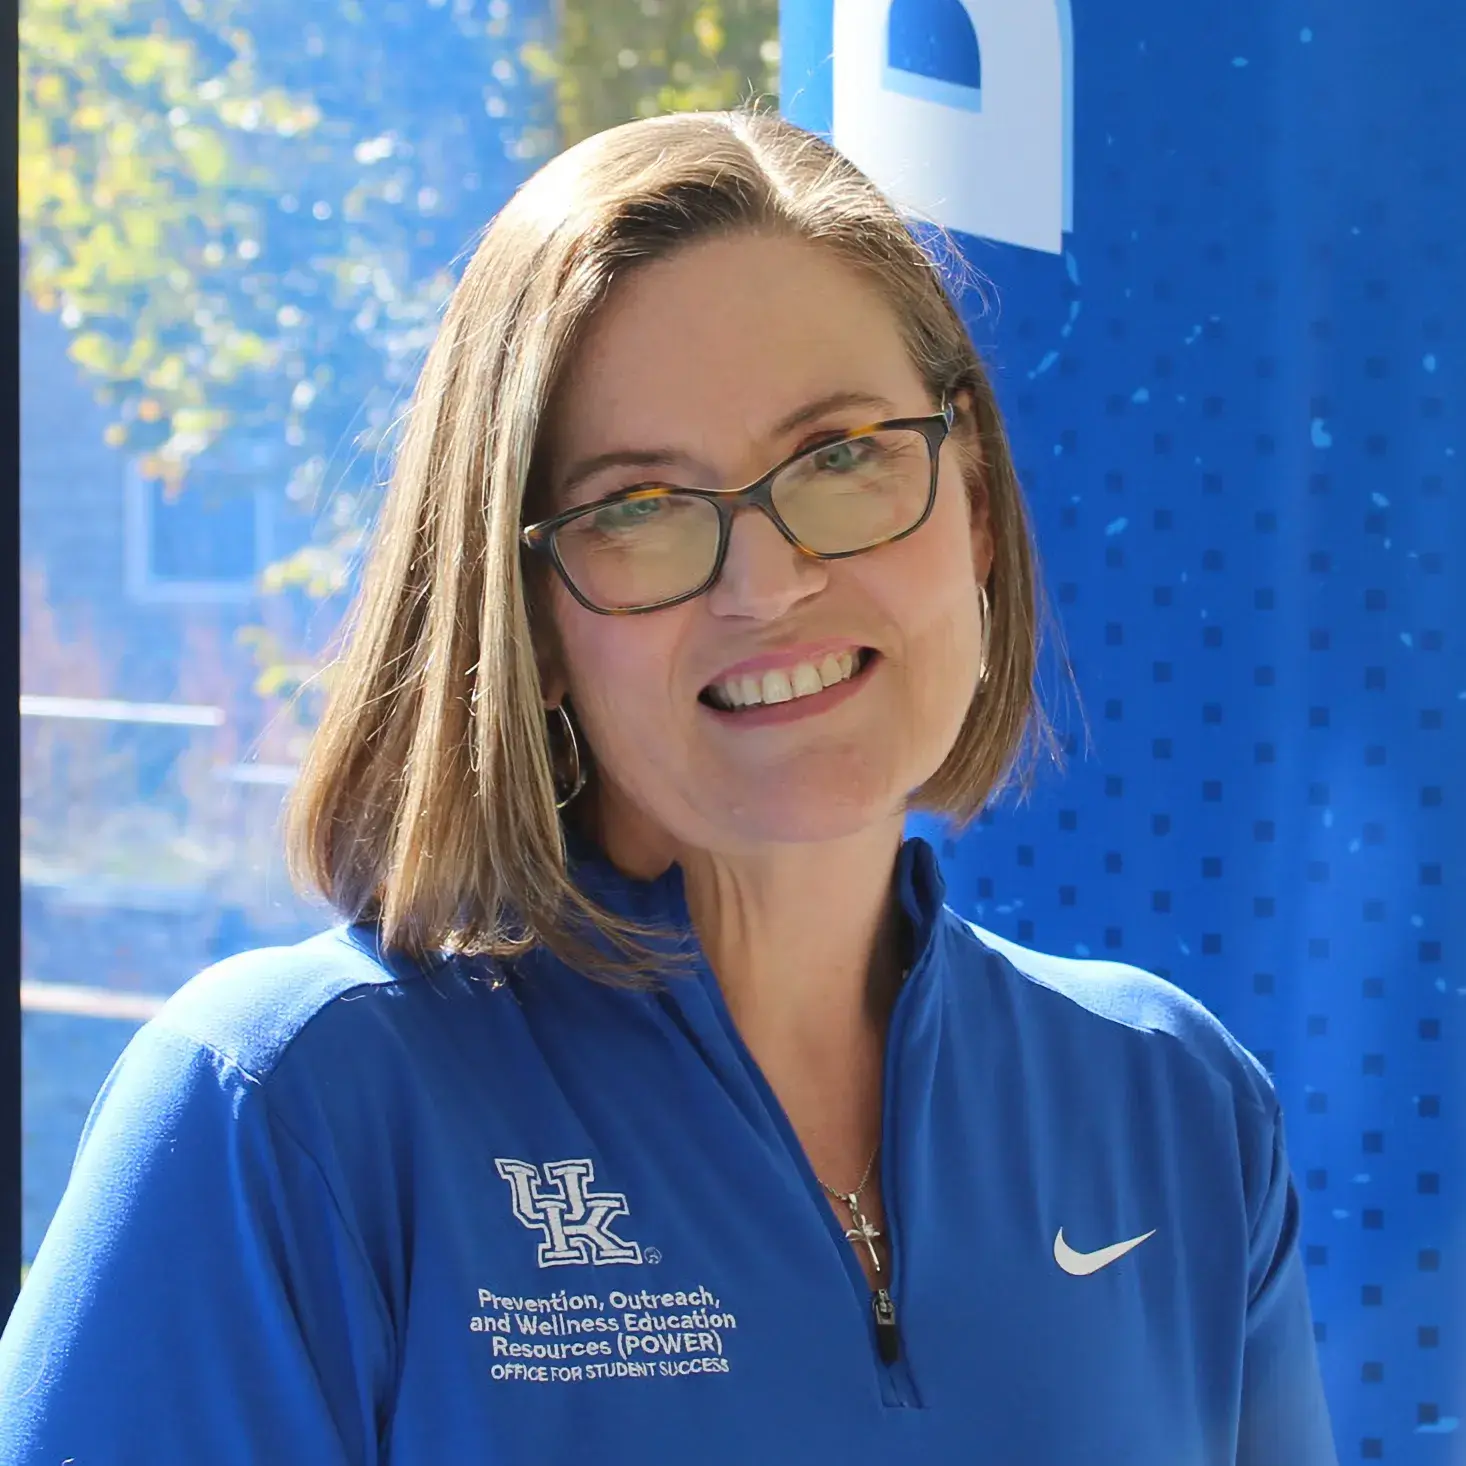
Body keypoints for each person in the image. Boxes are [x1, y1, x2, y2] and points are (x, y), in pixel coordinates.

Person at [0, 109, 1338, 1464]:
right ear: (524, 613)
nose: (767, 585)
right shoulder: (292, 1110)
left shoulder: (1172, 1104)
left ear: (973, 503)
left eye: (838, 456)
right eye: (636, 504)